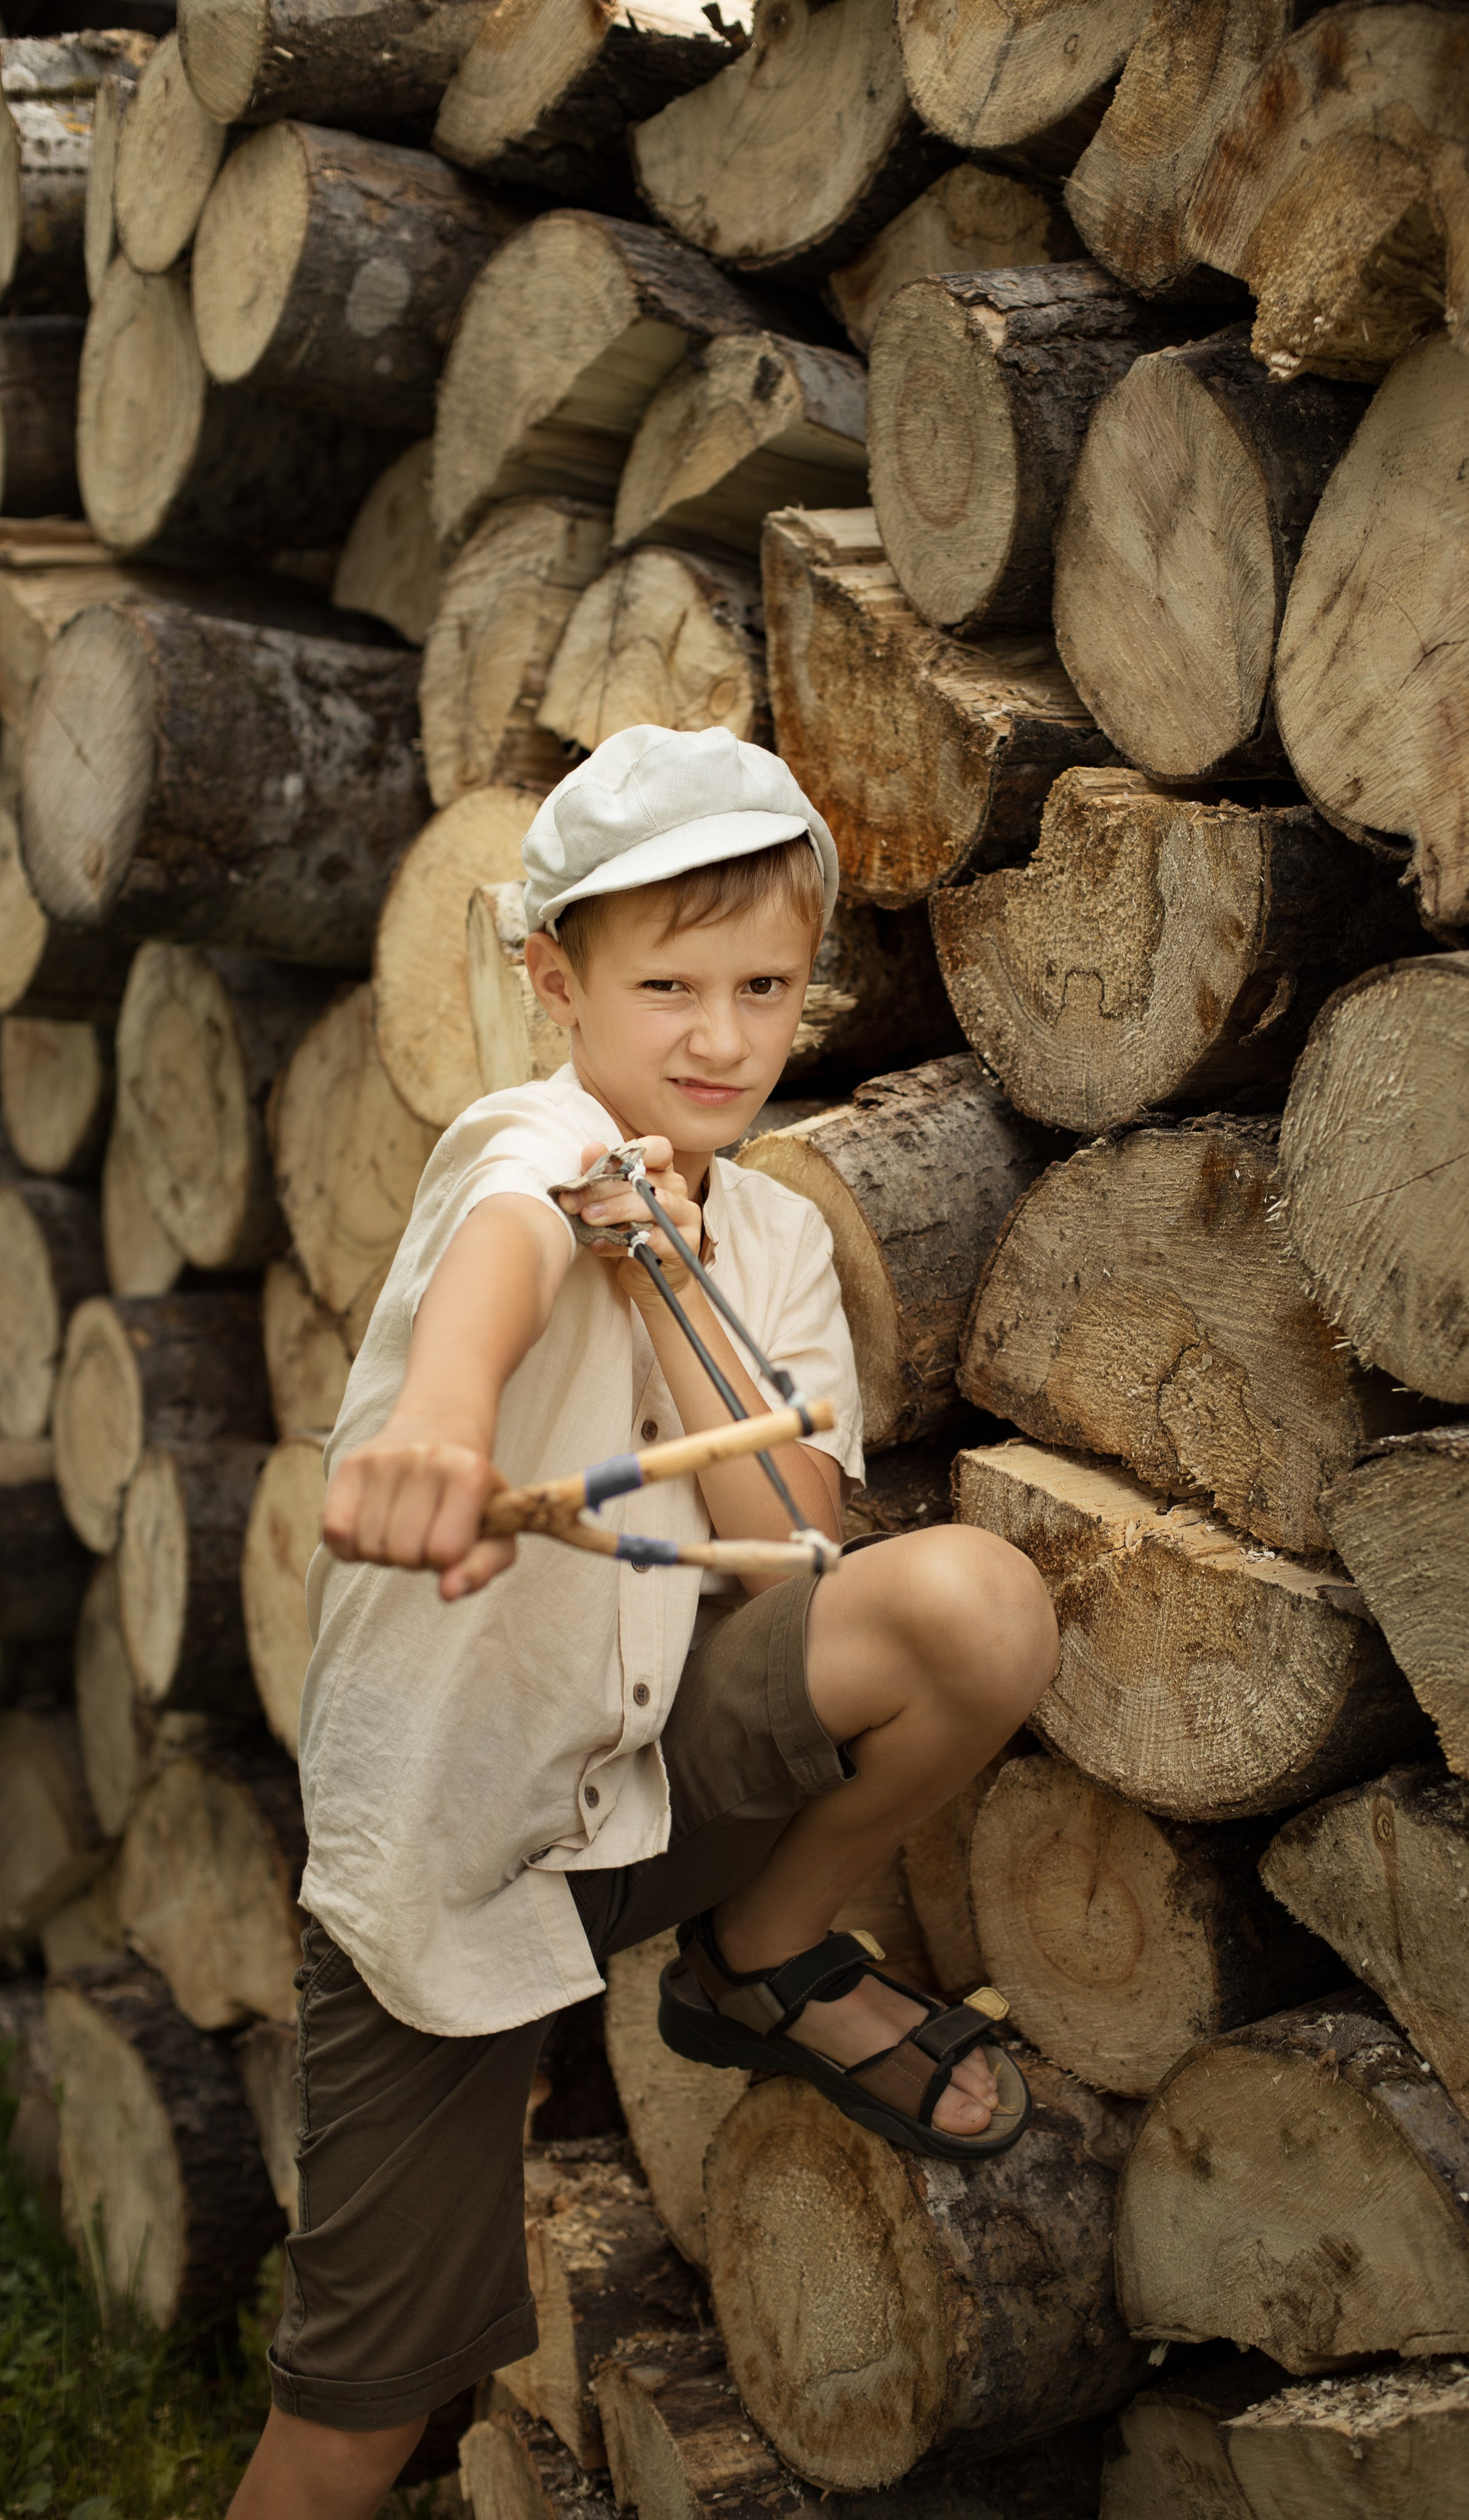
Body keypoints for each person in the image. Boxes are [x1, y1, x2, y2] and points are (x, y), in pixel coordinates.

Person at [228, 725, 1060, 2520]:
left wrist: (678, 1278)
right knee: (363, 2410)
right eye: (667, 984)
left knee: (973, 1608)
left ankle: (761, 1958)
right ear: (557, 982)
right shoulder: (530, 1138)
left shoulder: (761, 1236)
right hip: (453, 1854)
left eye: (763, 986)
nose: (718, 1037)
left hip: (654, 1784)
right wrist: (447, 1425)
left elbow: (794, 1548)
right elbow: (507, 1253)